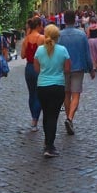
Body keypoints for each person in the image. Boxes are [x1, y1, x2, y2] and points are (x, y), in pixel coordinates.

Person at [34, 24, 71, 157]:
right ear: (57, 37)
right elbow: (67, 69)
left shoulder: (39, 50)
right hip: (57, 86)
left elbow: (37, 69)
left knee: (46, 114)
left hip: (43, 85)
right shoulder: (63, 50)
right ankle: (50, 146)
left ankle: (47, 142)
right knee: (53, 116)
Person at [58, 10, 95, 135]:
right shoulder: (81, 35)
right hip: (78, 68)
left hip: (64, 68)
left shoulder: (59, 35)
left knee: (66, 94)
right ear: (75, 20)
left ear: (64, 20)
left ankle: (68, 117)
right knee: (76, 94)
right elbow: (87, 53)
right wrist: (91, 69)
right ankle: (70, 118)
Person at [20, 15, 46, 131]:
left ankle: (33, 119)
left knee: (31, 94)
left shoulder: (26, 39)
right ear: (39, 25)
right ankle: (35, 118)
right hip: (39, 68)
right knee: (40, 94)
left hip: (29, 68)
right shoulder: (42, 38)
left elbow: (22, 55)